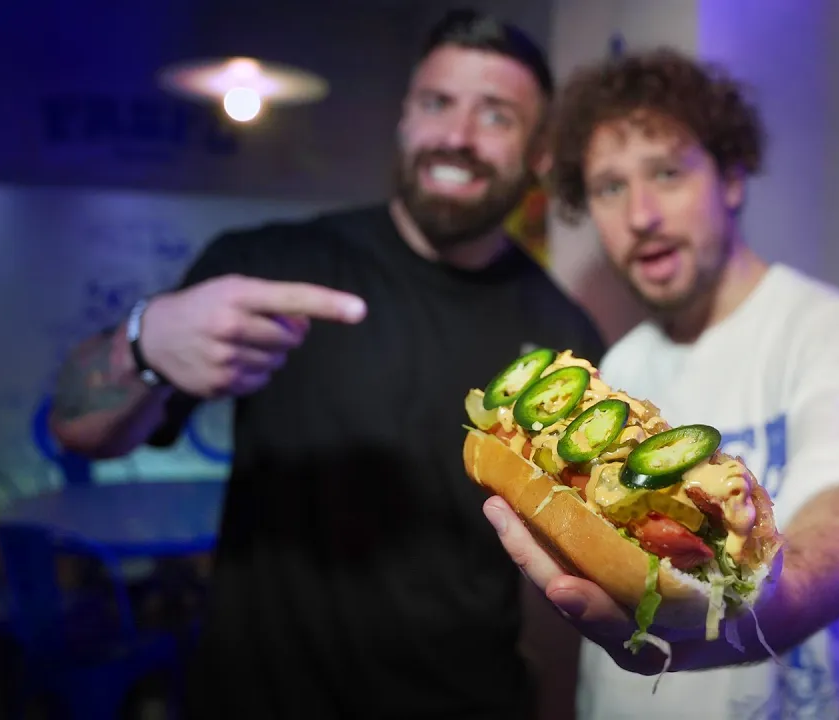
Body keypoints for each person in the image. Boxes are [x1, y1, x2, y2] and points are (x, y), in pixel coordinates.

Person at [47, 10, 605, 719]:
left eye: (495, 115)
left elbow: (566, 574)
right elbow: (78, 428)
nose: (457, 136)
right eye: (437, 103)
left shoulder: (564, 339)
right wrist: (143, 343)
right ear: (405, 118)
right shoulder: (268, 266)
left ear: (540, 153)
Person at [482, 48, 839, 719]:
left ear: (731, 177)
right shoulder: (617, 366)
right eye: (609, 187)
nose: (640, 214)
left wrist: (754, 610)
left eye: (667, 172)